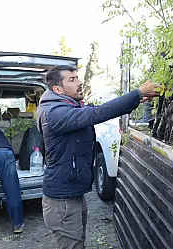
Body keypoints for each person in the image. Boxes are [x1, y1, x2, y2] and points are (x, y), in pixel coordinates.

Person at [36, 65, 159, 249]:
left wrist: (136, 99)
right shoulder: (54, 112)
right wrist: (137, 93)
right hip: (62, 202)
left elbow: (96, 109)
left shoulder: (65, 107)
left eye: (77, 77)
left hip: (71, 195)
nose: (79, 82)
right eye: (72, 79)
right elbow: (96, 114)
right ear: (57, 89)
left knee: (78, 244)